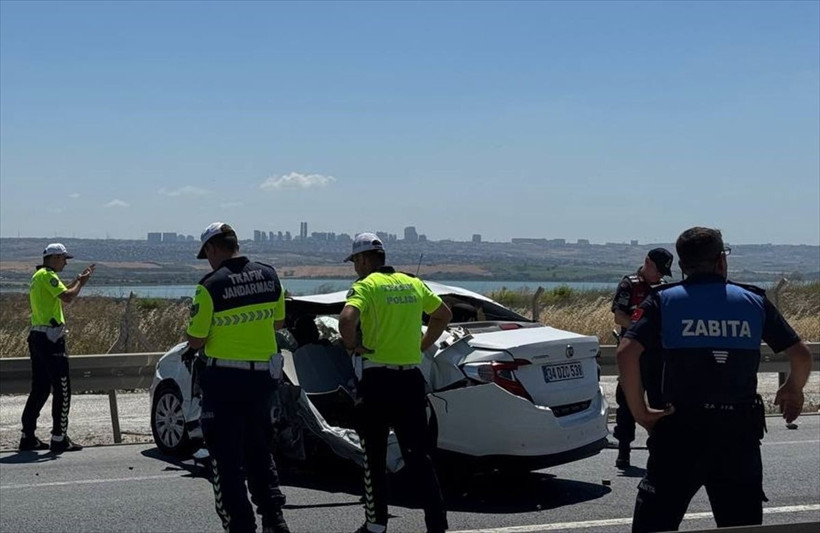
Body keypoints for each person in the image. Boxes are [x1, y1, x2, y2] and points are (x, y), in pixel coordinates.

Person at [616, 227, 812, 533]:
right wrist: (793, 389)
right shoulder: (752, 300)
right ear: (721, 261)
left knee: (654, 523)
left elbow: (626, 352)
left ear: (682, 265)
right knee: (740, 524)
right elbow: (801, 355)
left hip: (679, 429)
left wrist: (640, 412)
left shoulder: (663, 301)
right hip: (737, 435)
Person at [339, 232, 452, 533]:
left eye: (355, 262)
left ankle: (376, 525)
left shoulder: (366, 286)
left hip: (377, 380)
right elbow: (443, 314)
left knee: (373, 457)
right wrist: (423, 345)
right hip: (410, 381)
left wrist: (351, 347)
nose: (355, 268)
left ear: (363, 259)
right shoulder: (412, 283)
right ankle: (437, 525)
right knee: (420, 457)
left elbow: (347, 319)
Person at [186, 222, 290, 533]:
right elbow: (279, 322)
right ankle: (275, 520)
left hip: (224, 381)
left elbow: (195, 340)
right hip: (262, 381)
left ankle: (240, 526)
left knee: (225, 461)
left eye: (206, 254)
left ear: (212, 249)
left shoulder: (210, 286)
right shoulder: (269, 275)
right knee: (260, 452)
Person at [20, 243, 95, 453]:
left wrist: (77, 281)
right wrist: (82, 283)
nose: (65, 262)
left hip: (37, 336)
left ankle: (28, 436)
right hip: (51, 339)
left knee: (40, 389)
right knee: (62, 389)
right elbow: (68, 297)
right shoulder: (48, 275)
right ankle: (59, 437)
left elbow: (61, 293)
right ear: (54, 258)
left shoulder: (39, 276)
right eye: (64, 258)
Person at [610, 247, 673, 468]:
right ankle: (624, 450)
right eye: (658, 270)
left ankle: (660, 450)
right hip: (633, 354)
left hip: (657, 355)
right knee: (627, 403)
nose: (660, 275)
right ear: (647, 263)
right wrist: (643, 330)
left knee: (659, 401)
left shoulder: (665, 289)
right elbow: (620, 316)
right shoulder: (630, 284)